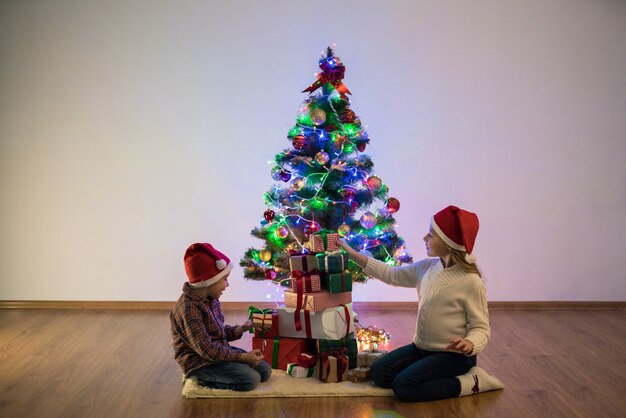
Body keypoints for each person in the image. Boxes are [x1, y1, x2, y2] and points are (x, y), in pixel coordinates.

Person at [339, 205, 503, 402]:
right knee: (380, 374)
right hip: (422, 348)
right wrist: (353, 255)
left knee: (404, 386)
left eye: (431, 235)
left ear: (449, 243)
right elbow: (392, 274)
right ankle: (428, 370)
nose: (425, 238)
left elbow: (481, 328)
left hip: (454, 357)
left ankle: (471, 382)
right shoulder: (427, 267)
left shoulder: (470, 282)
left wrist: (470, 343)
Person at [170, 242, 272, 391]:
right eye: (224, 279)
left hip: (217, 352)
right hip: (200, 362)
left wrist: (241, 328)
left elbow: (216, 332)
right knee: (251, 380)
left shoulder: (211, 299)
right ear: (207, 281)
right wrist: (243, 358)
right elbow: (207, 350)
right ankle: (198, 378)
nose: (227, 285)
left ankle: (229, 368)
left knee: (264, 371)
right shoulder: (189, 310)